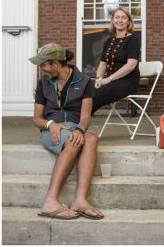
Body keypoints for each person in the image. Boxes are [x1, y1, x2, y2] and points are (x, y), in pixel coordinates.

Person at [30, 43, 104, 220]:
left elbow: (85, 116)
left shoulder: (84, 81)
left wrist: (79, 129)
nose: (42, 69)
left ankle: (80, 199)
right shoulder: (43, 83)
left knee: (91, 138)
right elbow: (36, 119)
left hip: (74, 126)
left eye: (44, 65)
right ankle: (50, 201)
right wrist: (51, 124)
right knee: (73, 140)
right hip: (51, 130)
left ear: (55, 63)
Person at [92, 6, 141, 114]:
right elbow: (102, 64)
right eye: (117, 17)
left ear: (128, 21)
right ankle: (75, 123)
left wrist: (108, 79)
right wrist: (99, 79)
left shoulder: (133, 40)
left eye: (123, 18)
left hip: (128, 81)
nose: (120, 20)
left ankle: (78, 125)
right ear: (113, 20)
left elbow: (131, 65)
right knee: (86, 92)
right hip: (110, 81)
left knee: (95, 95)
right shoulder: (109, 41)